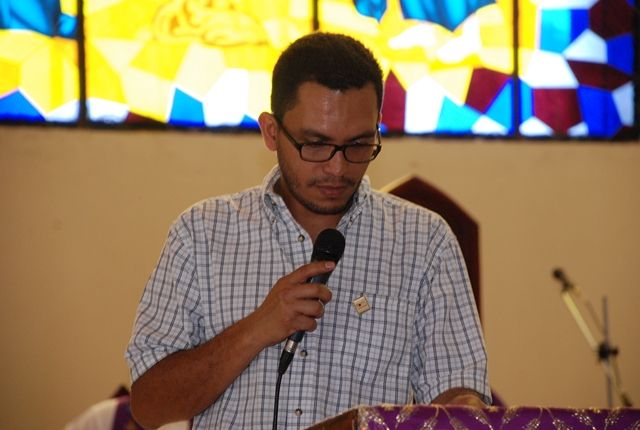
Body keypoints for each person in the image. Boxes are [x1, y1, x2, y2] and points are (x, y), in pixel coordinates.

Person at [125, 32, 490, 429]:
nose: (337, 168)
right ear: (272, 132)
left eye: (358, 145)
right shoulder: (201, 234)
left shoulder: (424, 241)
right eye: (316, 144)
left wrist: (466, 408)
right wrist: (256, 330)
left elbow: (456, 393)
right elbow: (150, 405)